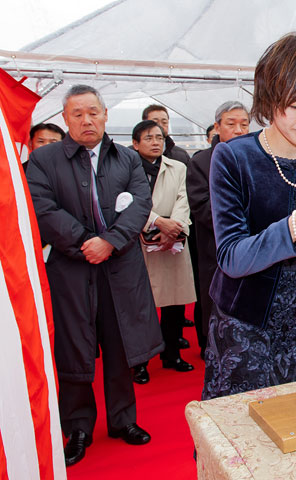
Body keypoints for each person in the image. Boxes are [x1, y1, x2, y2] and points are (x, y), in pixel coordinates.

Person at [202, 32, 296, 400]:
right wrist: (293, 229)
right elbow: (231, 257)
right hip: (246, 328)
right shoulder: (234, 158)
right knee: (242, 440)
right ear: (270, 99)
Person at [26, 84, 162, 466]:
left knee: (121, 345)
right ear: (65, 119)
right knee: (74, 347)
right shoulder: (44, 160)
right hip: (71, 269)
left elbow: (140, 204)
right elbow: (44, 209)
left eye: (93, 112)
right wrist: (87, 242)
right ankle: (78, 427)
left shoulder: (127, 159)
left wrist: (112, 241)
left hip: (121, 267)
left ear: (105, 115)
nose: (86, 120)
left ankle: (123, 421)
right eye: (77, 114)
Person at [132, 119, 196, 376]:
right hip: (139, 241)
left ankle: (172, 355)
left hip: (173, 244)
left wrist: (175, 229)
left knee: (174, 304)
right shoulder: (126, 167)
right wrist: (156, 222)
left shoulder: (178, 166)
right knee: (141, 306)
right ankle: (140, 362)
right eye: (148, 138)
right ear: (135, 144)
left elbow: (184, 198)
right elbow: (127, 202)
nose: (155, 142)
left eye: (159, 137)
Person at [186, 101, 250, 359]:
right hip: (217, 245)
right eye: (231, 124)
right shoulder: (201, 161)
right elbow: (201, 205)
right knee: (216, 300)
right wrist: (240, 222)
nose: (238, 130)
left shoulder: (256, 157)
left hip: (253, 245)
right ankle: (211, 346)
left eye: (244, 124)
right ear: (217, 127)